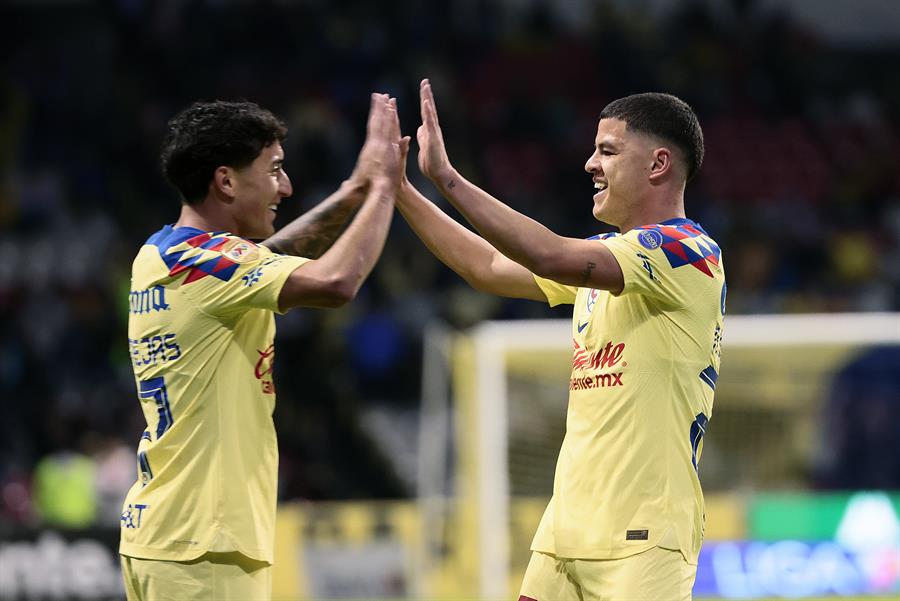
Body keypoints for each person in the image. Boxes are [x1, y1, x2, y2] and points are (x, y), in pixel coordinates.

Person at [399, 79, 725, 600]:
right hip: (566, 530)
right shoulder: (608, 256)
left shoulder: (688, 252)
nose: (590, 165)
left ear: (658, 164)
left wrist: (447, 178)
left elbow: (549, 254)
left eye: (607, 150)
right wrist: (400, 189)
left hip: (642, 539)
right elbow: (485, 266)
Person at [119, 94, 406, 601]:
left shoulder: (162, 253)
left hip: (167, 535)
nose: (286, 186)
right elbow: (335, 282)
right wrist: (385, 190)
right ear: (226, 181)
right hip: (203, 544)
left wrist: (355, 189)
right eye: (274, 170)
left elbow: (263, 260)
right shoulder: (202, 264)